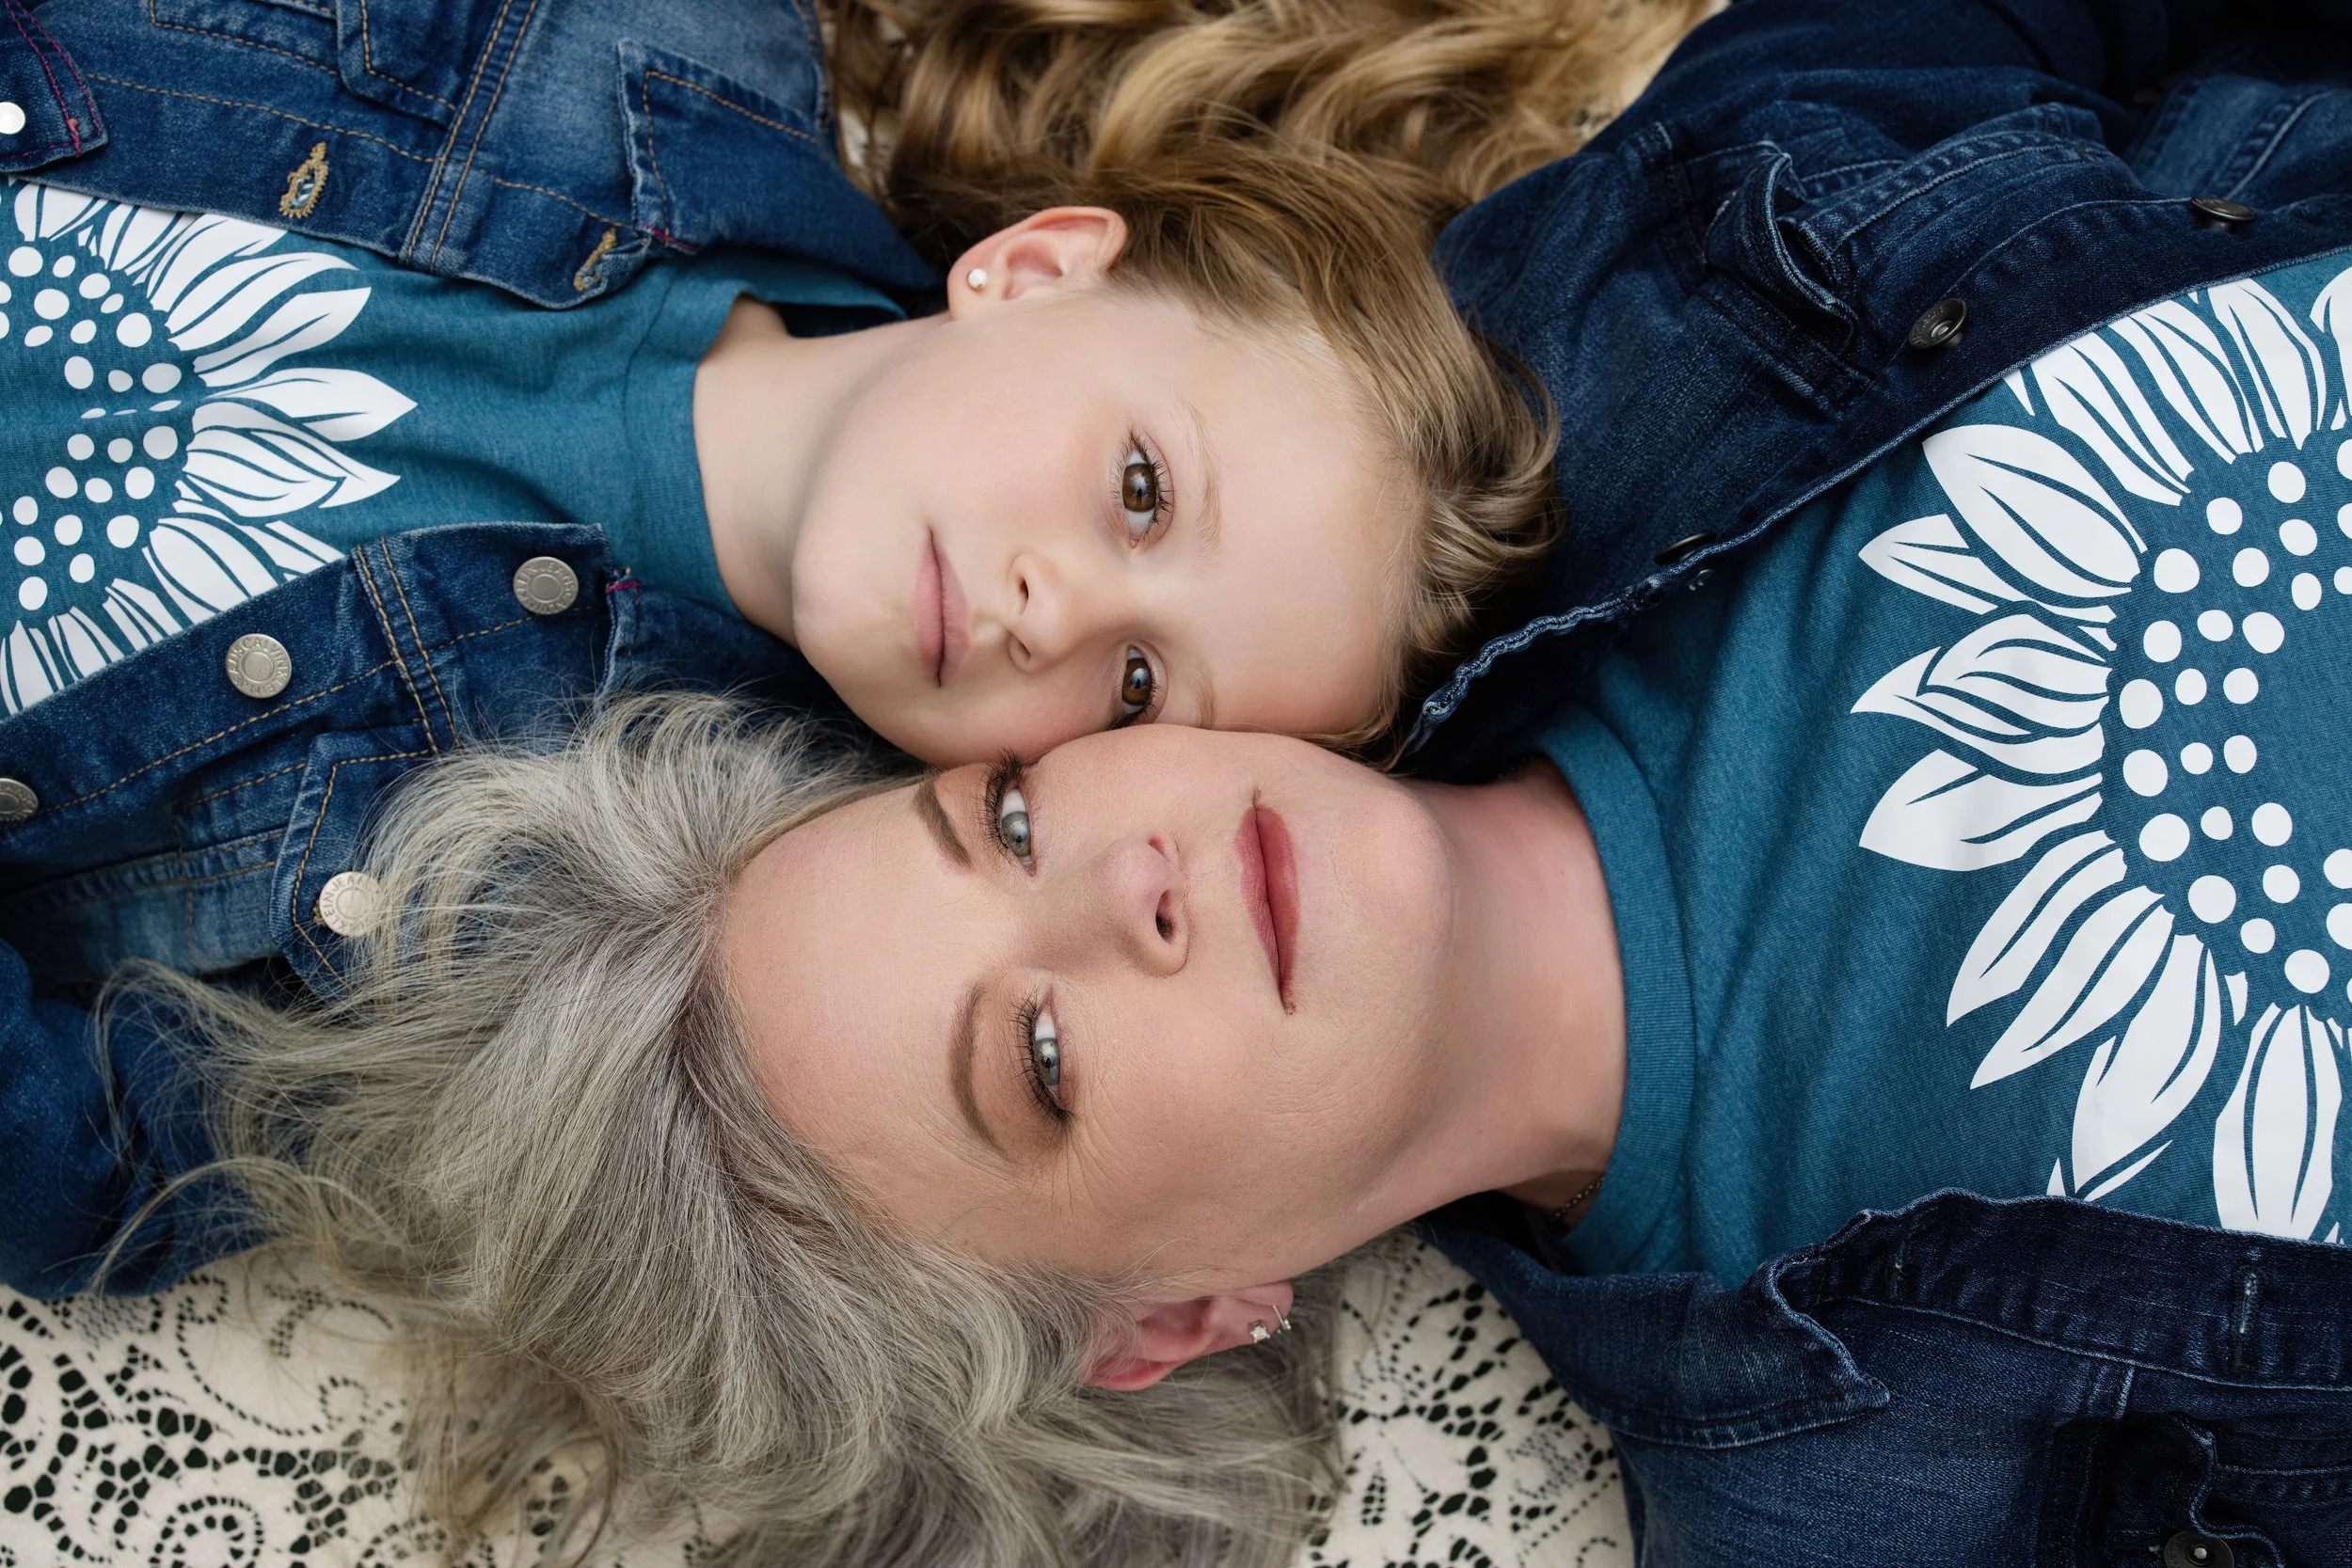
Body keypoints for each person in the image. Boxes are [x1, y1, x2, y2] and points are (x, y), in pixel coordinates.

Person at [53, 3, 2352, 1564]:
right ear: (1171, 1316)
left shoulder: (1624, 314)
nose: (1125, 875)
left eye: (1012, 817)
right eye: (1036, 1058)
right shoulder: (1889, 1483)